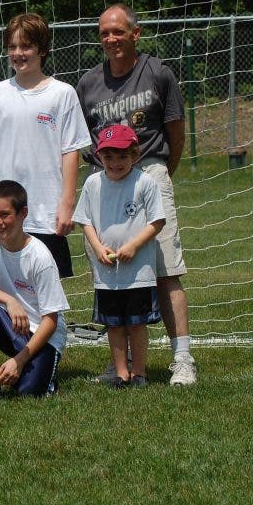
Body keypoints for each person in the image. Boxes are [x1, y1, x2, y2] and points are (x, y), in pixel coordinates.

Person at [75, 3, 197, 385]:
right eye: (104, 33)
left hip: (149, 174)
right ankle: (122, 363)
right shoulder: (88, 83)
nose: (111, 39)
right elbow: (81, 138)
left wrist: (160, 174)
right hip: (104, 181)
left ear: (135, 33)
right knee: (112, 271)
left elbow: (176, 132)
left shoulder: (158, 73)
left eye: (118, 31)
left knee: (165, 270)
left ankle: (182, 359)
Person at [0, 13, 91, 280]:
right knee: (7, 285)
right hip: (5, 211)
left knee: (47, 287)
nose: (18, 53)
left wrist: (66, 203)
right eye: (12, 47)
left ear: (42, 49)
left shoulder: (62, 93)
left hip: (45, 209)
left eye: (26, 46)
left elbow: (70, 152)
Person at [0, 180, 71, 401]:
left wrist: (19, 361)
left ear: (23, 214)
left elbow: (51, 321)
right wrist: (9, 300)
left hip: (43, 336)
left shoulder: (40, 257)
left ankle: (40, 374)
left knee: (27, 393)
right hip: (13, 324)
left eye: (5, 215)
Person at [73, 125, 165, 387]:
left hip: (138, 272)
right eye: (109, 157)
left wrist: (134, 245)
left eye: (123, 156)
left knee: (136, 324)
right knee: (113, 325)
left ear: (135, 155)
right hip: (107, 274)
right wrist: (97, 247)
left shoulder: (144, 182)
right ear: (99, 157)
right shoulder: (93, 183)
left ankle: (140, 372)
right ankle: (121, 373)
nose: (115, 162)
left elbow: (157, 221)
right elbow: (84, 220)